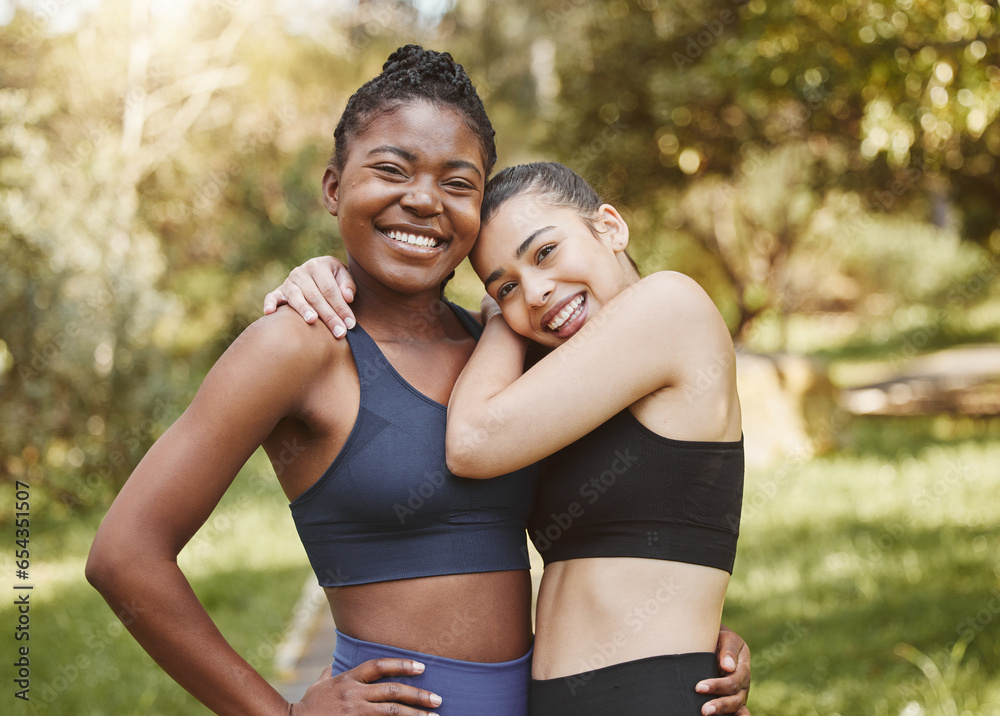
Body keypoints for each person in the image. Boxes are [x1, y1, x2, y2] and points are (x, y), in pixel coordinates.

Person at [84, 44, 749, 715]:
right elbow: (125, 554)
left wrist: (687, 637)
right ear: (334, 187)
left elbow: (648, 497)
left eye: (458, 184)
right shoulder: (298, 344)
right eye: (392, 170)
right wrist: (280, 715)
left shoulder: (504, 351)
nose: (424, 199)